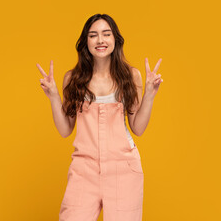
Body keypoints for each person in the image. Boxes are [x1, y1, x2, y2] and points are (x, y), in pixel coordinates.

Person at [36, 13, 163, 221]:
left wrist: (149, 94)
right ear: (86, 41)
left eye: (106, 34)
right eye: (93, 35)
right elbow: (65, 130)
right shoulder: (73, 78)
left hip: (123, 168)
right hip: (84, 169)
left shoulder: (131, 76)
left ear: (115, 40)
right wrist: (53, 96)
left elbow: (137, 128)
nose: (101, 40)